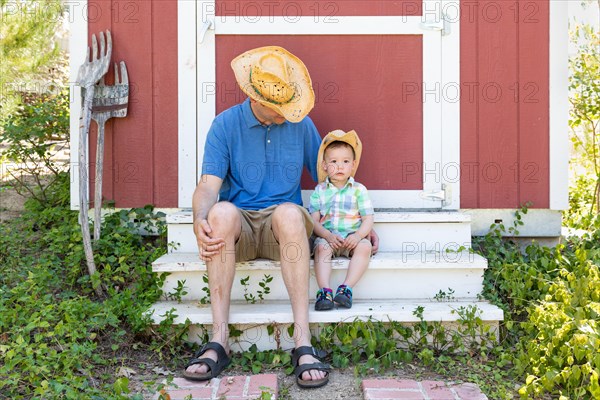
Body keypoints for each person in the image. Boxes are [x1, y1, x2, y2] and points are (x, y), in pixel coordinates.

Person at [309, 130, 374, 311]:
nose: (339, 167)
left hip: (352, 238)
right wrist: (327, 236)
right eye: (333, 162)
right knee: (321, 248)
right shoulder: (319, 191)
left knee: (365, 247)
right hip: (328, 238)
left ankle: (346, 289)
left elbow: (368, 218)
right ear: (324, 166)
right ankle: (325, 291)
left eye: (345, 162)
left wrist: (359, 235)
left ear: (353, 165)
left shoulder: (359, 190)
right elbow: (313, 221)